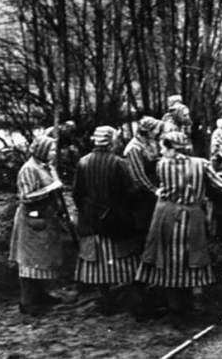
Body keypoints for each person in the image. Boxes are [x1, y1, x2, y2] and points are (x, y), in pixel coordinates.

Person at [135, 131, 222, 326]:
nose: (161, 151)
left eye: (164, 147)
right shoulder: (201, 165)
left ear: (172, 148)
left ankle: (174, 309)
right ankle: (192, 306)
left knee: (168, 260)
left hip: (165, 215)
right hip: (191, 216)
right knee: (191, 259)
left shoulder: (162, 165)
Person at [73, 126, 141, 315]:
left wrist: (87, 211)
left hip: (91, 221)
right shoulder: (119, 163)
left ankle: (106, 298)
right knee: (124, 258)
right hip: (116, 220)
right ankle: (132, 299)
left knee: (97, 262)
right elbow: (131, 191)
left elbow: (77, 193)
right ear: (112, 141)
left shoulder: (83, 162)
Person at [9, 135, 69, 315]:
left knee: (41, 260)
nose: (54, 153)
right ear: (41, 150)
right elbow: (26, 197)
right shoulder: (28, 169)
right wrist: (51, 188)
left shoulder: (47, 167)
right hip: (31, 220)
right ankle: (27, 302)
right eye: (50, 149)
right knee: (29, 261)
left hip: (45, 218)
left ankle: (40, 295)